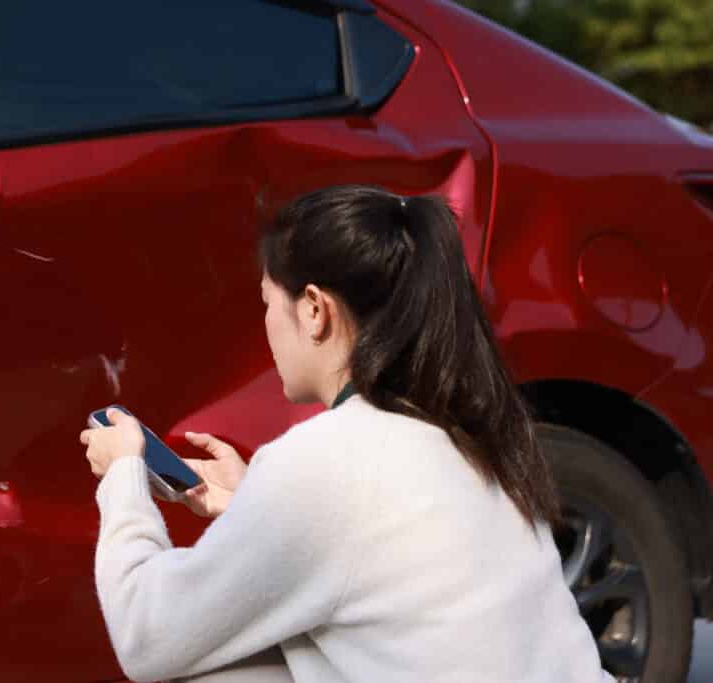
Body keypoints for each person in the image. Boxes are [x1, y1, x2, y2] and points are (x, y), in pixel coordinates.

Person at [79, 185, 614, 682]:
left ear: (314, 309)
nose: (265, 322)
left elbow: (147, 637)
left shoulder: (323, 462)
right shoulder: (463, 434)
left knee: (219, 669)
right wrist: (253, 503)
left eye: (267, 301)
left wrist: (124, 476)